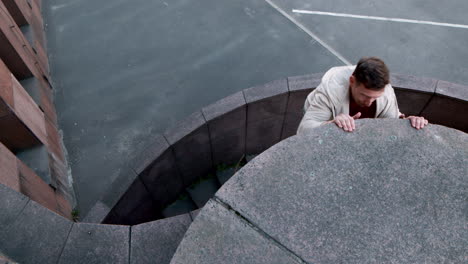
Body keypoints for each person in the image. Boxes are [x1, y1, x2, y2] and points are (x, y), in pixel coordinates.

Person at [297, 57, 428, 134]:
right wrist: (331, 123)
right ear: (352, 81)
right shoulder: (330, 92)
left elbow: (392, 126)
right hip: (322, 120)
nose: (369, 103)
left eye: (375, 98)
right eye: (365, 95)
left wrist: (407, 123)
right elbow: (304, 129)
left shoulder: (386, 94)